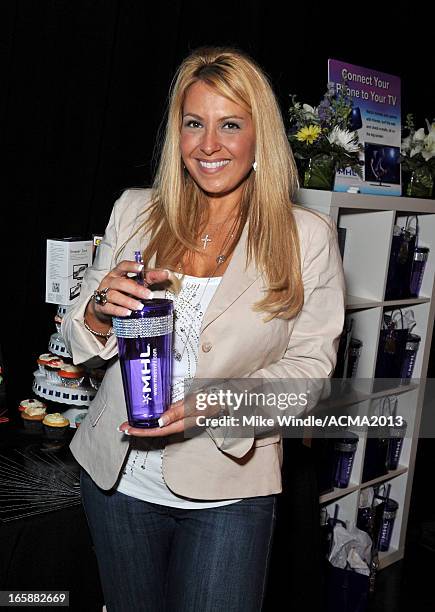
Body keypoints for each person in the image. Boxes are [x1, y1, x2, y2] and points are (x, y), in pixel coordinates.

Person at [62, 46, 345, 612]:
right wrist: (97, 311)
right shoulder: (136, 211)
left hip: (229, 486)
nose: (209, 145)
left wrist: (223, 401)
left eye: (230, 125)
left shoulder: (305, 236)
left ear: (259, 135)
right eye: (194, 124)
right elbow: (79, 338)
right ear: (178, 133)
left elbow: (313, 372)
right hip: (116, 481)